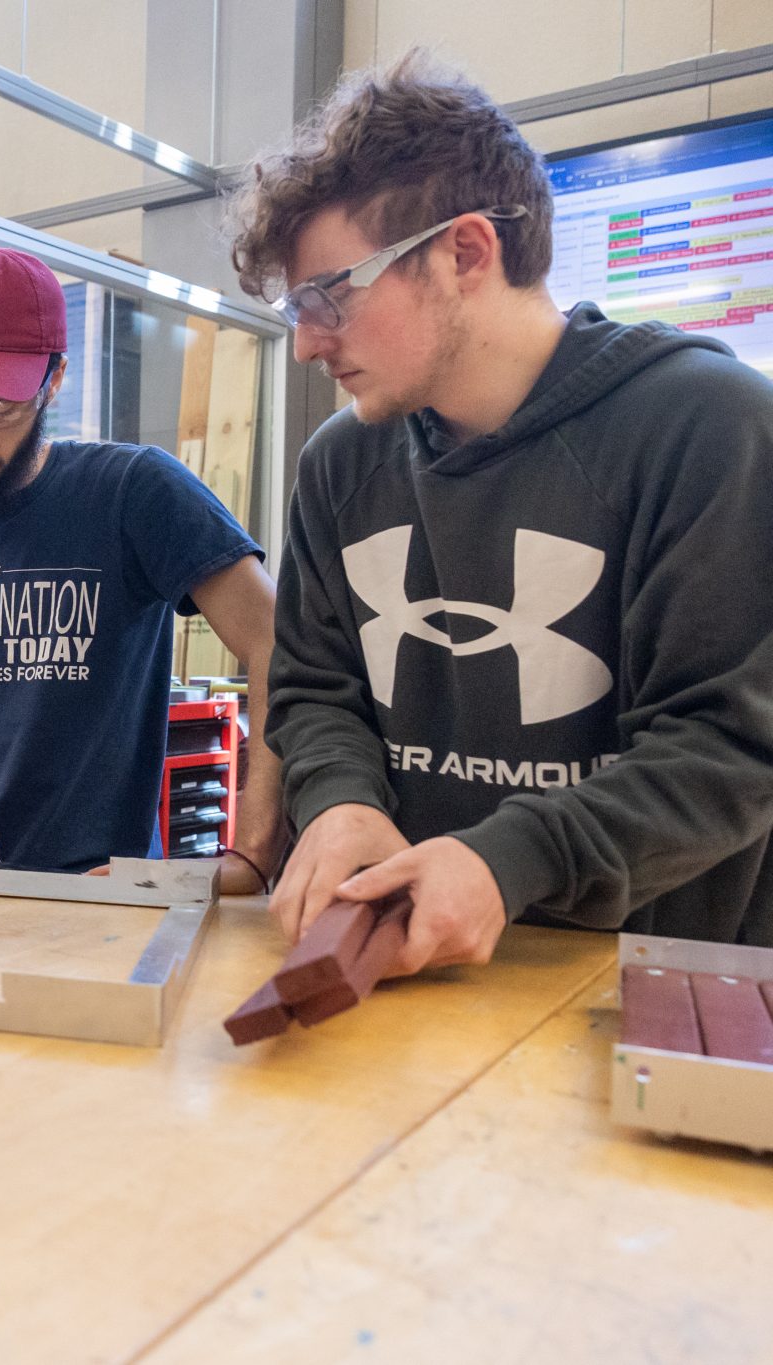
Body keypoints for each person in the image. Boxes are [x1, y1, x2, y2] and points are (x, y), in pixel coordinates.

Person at [228, 53, 773, 974]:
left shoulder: (710, 428)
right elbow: (320, 691)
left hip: (652, 994)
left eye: (329, 295)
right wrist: (343, 799)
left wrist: (508, 861)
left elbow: (726, 748)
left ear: (466, 251)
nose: (307, 343)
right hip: (407, 979)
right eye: (296, 308)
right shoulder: (341, 464)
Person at [0, 242, 285, 890]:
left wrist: (255, 853)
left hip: (96, 889)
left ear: (55, 380)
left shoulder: (132, 492)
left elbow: (276, 646)